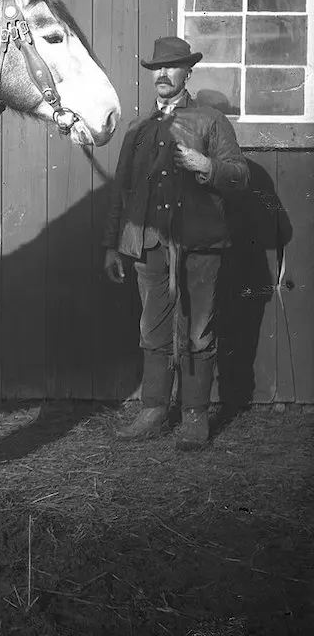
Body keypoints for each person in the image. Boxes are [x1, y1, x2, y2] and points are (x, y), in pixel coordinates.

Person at [102, 36, 249, 450]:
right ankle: (153, 410)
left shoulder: (210, 121)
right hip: (148, 244)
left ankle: (195, 415)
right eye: (157, 69)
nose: (163, 75)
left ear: (188, 72)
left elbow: (241, 176)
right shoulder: (138, 129)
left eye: (172, 67)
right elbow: (121, 193)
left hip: (201, 244)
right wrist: (113, 246)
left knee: (200, 330)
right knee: (152, 326)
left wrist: (208, 166)